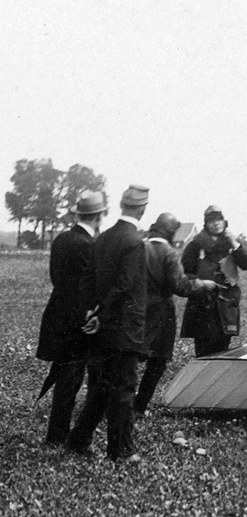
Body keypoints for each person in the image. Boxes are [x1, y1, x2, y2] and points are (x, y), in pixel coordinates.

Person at [66, 184, 151, 462]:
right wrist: (102, 316)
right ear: (143, 208)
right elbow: (126, 286)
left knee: (101, 389)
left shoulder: (102, 239)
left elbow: (88, 279)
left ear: (121, 207)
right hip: (124, 329)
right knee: (124, 389)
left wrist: (92, 313)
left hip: (101, 330)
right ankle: (121, 450)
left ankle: (78, 440)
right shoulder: (135, 242)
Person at [36, 190, 105, 446]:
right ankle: (59, 436)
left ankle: (56, 435)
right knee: (72, 380)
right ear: (99, 216)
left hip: (58, 313)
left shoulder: (62, 239)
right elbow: (90, 287)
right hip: (80, 319)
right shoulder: (89, 246)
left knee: (65, 376)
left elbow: (56, 278)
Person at [135, 213, 217, 413]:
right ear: (171, 232)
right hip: (161, 313)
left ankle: (118, 404)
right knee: (157, 362)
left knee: (129, 359)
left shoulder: (137, 248)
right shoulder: (168, 253)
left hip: (135, 308)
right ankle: (139, 407)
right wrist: (201, 284)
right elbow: (180, 287)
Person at [180, 205, 247, 357]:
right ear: (206, 224)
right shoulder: (195, 245)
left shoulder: (230, 243)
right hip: (203, 305)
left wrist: (235, 243)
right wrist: (200, 283)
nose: (216, 224)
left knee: (223, 348)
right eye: (211, 221)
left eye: (219, 220)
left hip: (226, 304)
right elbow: (183, 273)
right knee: (204, 352)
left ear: (224, 221)